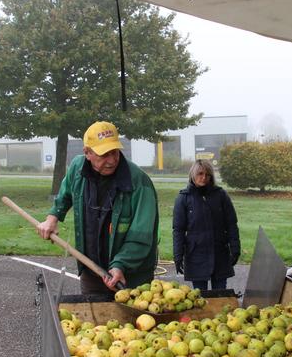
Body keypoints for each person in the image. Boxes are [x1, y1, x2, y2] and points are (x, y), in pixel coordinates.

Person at [37, 121, 159, 293]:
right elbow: (65, 195)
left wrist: (120, 265)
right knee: (92, 317)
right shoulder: (77, 169)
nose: (112, 160)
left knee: (131, 319)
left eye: (115, 152)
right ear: (87, 152)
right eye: (104, 154)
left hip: (131, 277)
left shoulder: (139, 183)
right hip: (91, 271)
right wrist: (52, 219)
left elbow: (141, 235)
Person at [172, 159, 240, 291]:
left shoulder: (221, 195)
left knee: (220, 296)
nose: (204, 178)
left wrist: (235, 247)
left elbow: (231, 224)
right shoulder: (184, 198)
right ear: (193, 174)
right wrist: (178, 255)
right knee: (200, 298)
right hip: (196, 254)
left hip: (219, 253)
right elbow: (178, 230)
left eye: (207, 175)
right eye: (200, 174)